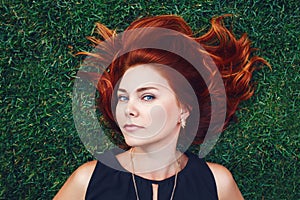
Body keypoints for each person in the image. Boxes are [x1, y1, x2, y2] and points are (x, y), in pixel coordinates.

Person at [54, 14, 269, 200]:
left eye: (147, 97)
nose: (129, 109)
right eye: (123, 97)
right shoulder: (87, 180)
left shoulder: (217, 183)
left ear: (184, 109)